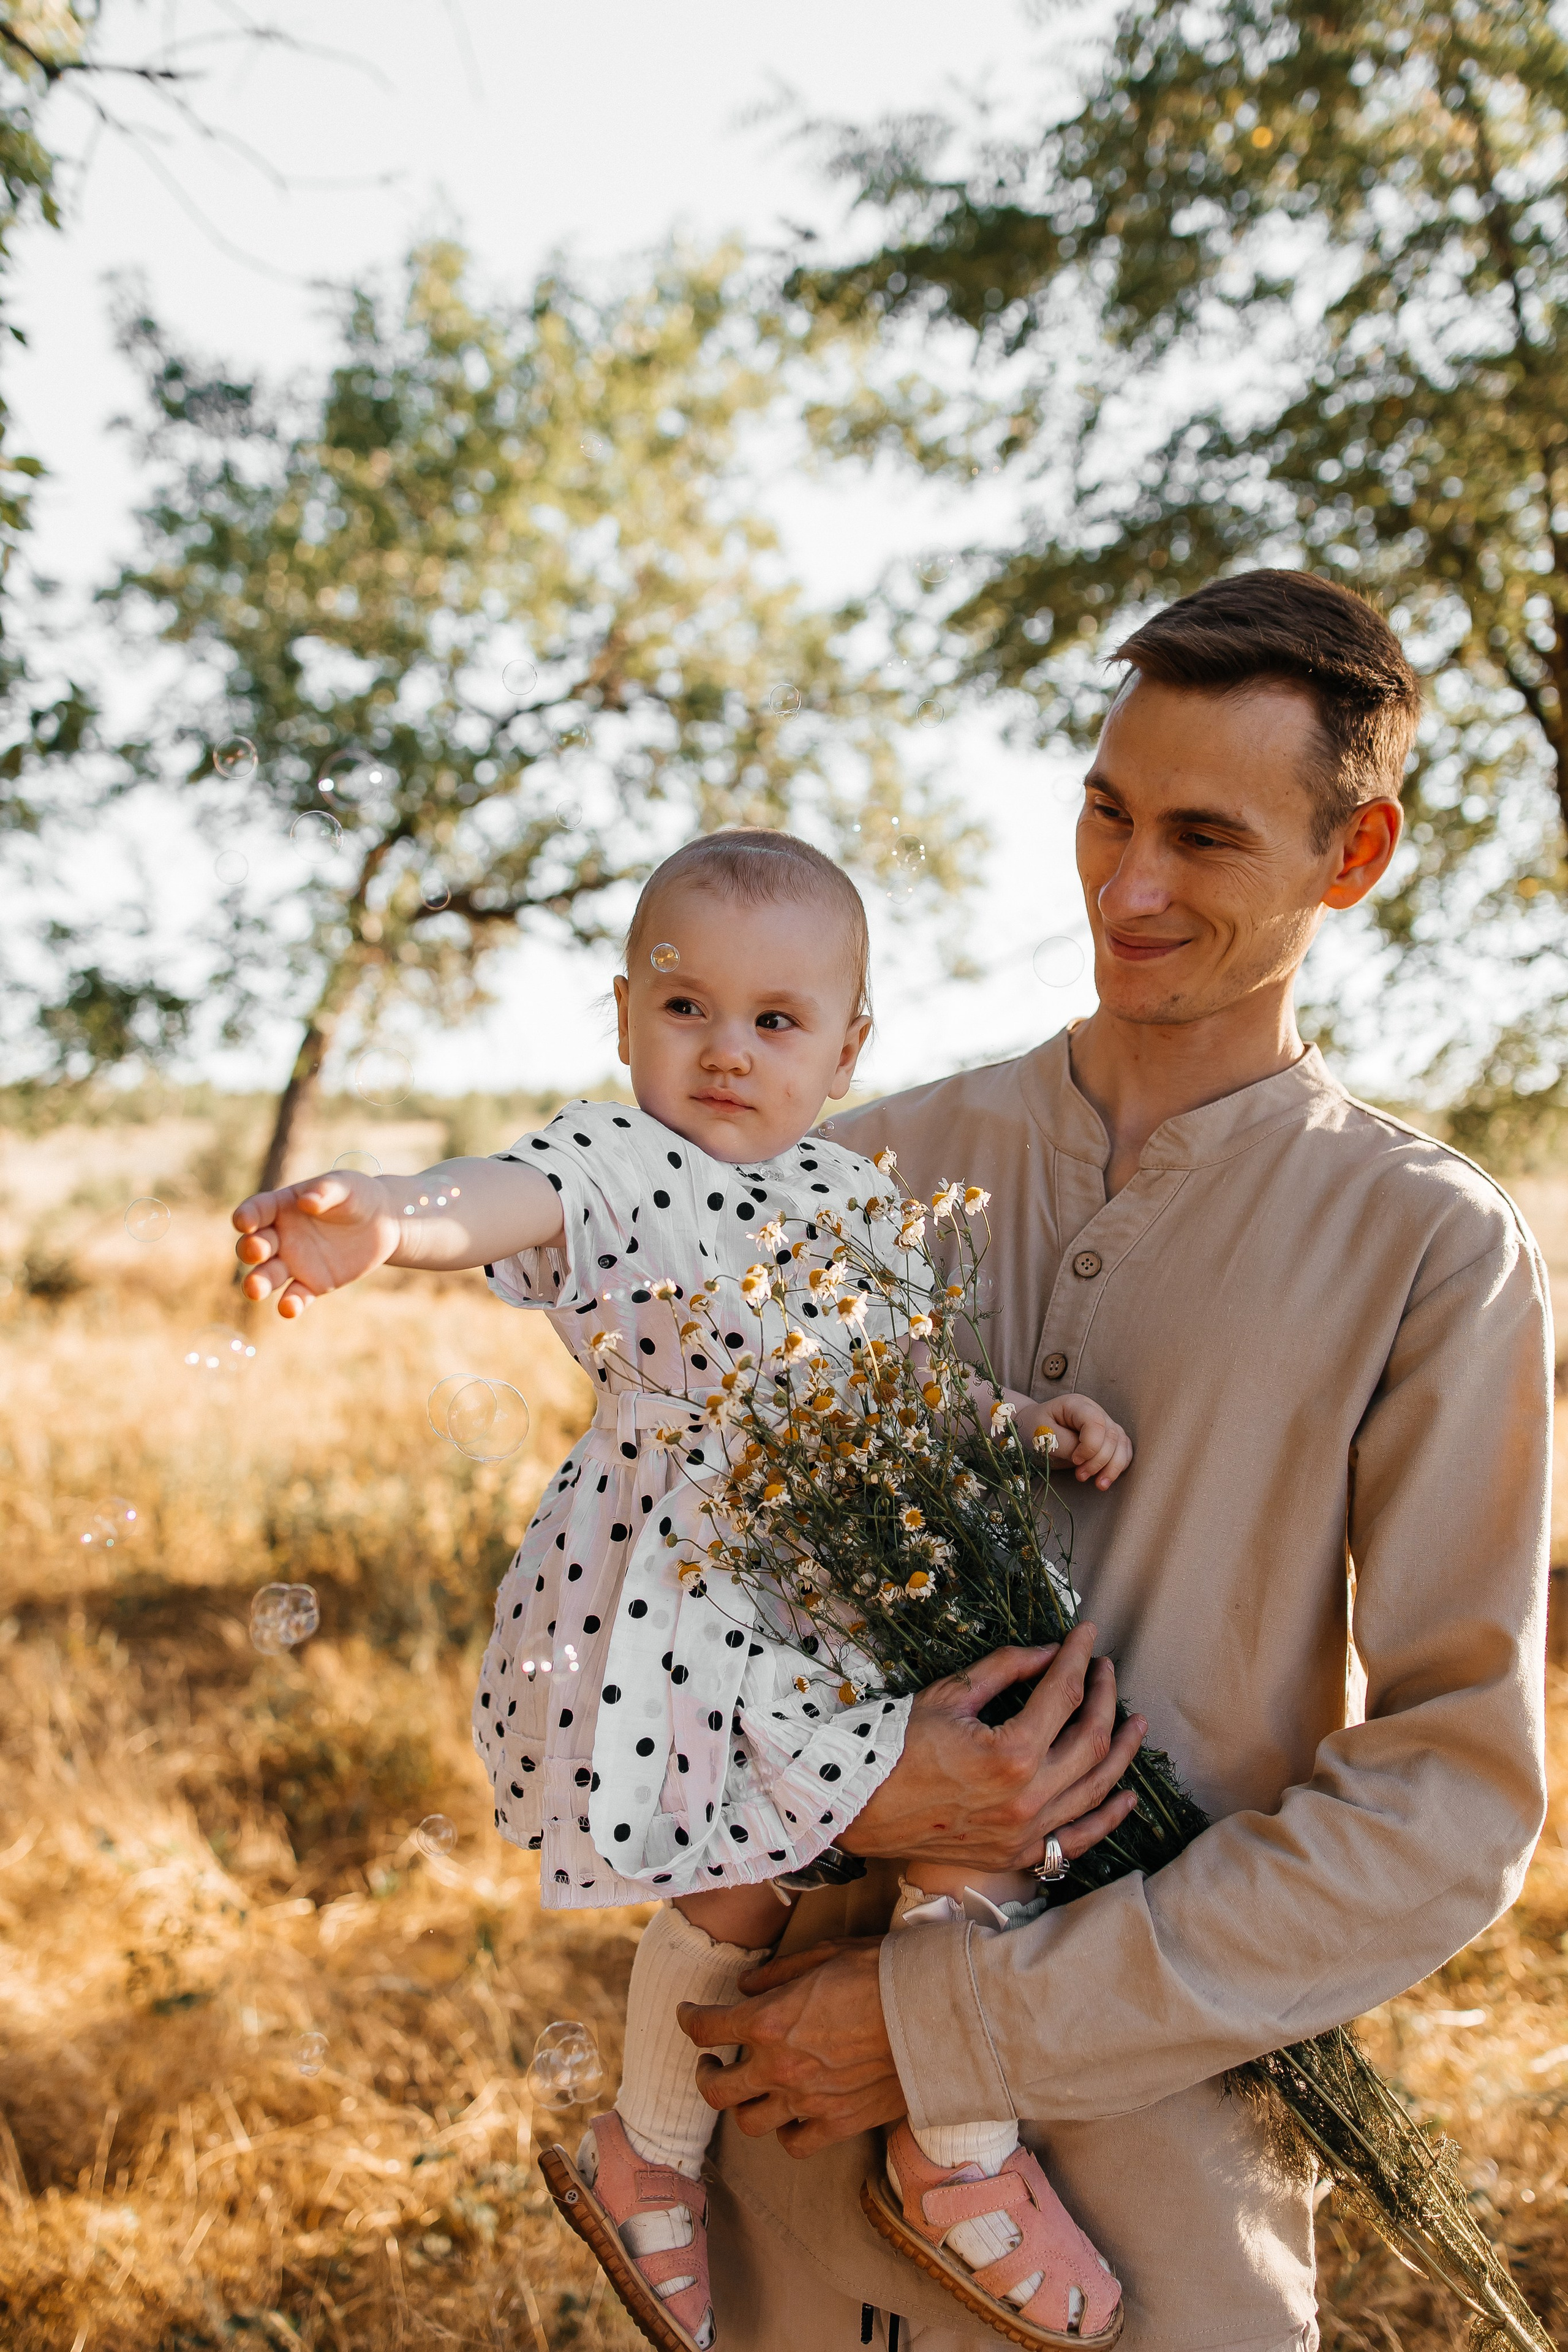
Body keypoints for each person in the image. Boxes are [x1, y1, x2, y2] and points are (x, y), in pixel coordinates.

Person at [677, 572, 1553, 2352]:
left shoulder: (1427, 1248)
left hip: (1158, 2236)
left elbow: (1449, 1809)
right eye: (1106, 809)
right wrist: (855, 1789)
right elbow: (639, 1617)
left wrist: (956, 2028)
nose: (1127, 888)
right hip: (772, 2184)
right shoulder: (842, 1175)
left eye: (1206, 839)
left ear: (1355, 853)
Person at [230, 828, 1143, 2352]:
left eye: (775, 1022)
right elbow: (501, 1198)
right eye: (683, 1011)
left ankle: (948, 2144)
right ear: (622, 1020)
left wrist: (1016, 1426)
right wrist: (390, 1214)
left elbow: (898, 1384)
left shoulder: (855, 1203)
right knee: (731, 1881)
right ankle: (651, 2144)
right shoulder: (623, 1160)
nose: (725, 1052)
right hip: (697, 1598)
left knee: (989, 1819)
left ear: (847, 1047)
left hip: (853, 1582)